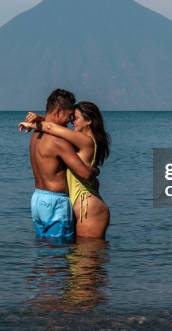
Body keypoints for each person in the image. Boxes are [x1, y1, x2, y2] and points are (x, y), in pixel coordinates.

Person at [19, 101, 111, 239]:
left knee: (86, 256)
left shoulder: (85, 140)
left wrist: (33, 124)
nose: (72, 121)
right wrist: (41, 119)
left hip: (89, 210)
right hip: (83, 209)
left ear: (89, 121)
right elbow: (57, 129)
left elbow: (51, 128)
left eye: (76, 118)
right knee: (77, 258)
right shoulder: (79, 141)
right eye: (72, 117)